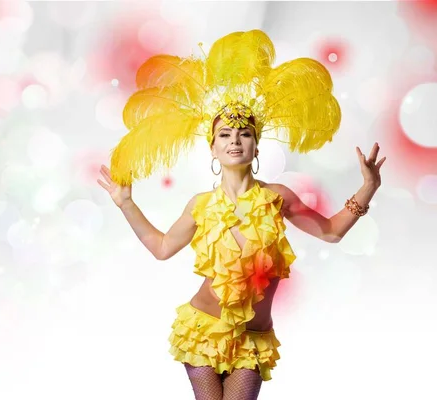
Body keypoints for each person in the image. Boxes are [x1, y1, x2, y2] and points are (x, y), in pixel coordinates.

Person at [97, 30, 386, 400]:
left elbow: (330, 232)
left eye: (244, 133)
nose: (235, 140)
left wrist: (368, 187)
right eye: (225, 134)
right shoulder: (200, 205)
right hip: (203, 329)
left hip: (253, 339)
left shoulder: (278, 197)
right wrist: (125, 203)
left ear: (256, 143)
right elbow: (163, 247)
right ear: (214, 149)